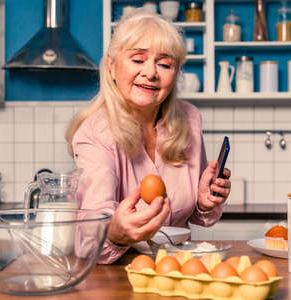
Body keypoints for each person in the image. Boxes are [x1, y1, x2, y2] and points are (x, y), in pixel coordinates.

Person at [65, 9, 231, 264]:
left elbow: (195, 217)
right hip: (120, 274)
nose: (151, 73)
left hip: (178, 267)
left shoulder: (189, 119)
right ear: (111, 67)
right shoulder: (94, 133)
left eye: (165, 64)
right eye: (138, 59)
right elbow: (89, 235)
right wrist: (116, 233)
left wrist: (204, 203)